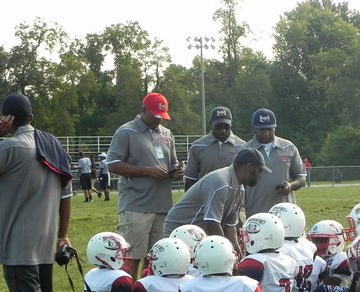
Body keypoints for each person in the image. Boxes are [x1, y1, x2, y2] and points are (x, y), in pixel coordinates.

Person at [0, 93, 73, 292]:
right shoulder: (51, 145)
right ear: (32, 116)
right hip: (44, 240)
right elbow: (66, 196)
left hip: (17, 244)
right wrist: (61, 234)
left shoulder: (9, 146)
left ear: (8, 119)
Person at [106, 92, 184, 279]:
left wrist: (175, 172)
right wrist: (147, 171)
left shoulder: (167, 134)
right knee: (131, 258)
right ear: (143, 110)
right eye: (155, 116)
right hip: (136, 206)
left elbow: (172, 163)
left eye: (162, 117)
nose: (159, 121)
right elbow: (113, 164)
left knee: (156, 259)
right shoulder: (126, 132)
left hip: (162, 205)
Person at [163, 147, 271, 256]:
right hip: (180, 230)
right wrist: (227, 252)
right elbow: (212, 223)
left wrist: (239, 257)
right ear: (249, 167)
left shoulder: (240, 189)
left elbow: (230, 227)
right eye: (259, 171)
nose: (260, 176)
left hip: (198, 233)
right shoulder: (221, 182)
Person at [243, 108, 306, 217]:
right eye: (262, 130)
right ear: (254, 128)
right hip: (256, 214)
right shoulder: (244, 151)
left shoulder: (288, 147)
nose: (266, 133)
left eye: (270, 129)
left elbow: (301, 177)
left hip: (286, 214)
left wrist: (290, 186)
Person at [184, 106, 246, 191]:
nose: (223, 130)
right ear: (210, 124)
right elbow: (191, 180)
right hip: (205, 199)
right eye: (218, 127)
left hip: (232, 200)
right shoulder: (198, 146)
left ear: (231, 124)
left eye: (226, 126)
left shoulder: (242, 146)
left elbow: (246, 180)